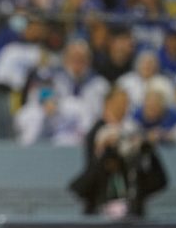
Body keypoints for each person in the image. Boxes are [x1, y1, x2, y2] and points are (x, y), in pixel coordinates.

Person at [69, 87, 168, 218]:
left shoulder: (131, 130)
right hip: (104, 205)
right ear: (107, 104)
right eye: (120, 103)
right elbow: (93, 173)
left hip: (132, 206)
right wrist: (107, 151)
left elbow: (157, 180)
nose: (123, 108)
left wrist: (146, 150)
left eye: (126, 104)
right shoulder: (97, 133)